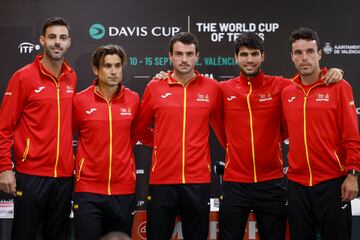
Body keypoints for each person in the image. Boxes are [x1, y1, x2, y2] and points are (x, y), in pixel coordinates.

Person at [217, 32, 344, 240]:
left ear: (263, 56)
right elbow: (195, 87)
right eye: (244, 54)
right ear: (235, 58)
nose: (249, 59)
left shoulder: (282, 86)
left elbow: (308, 82)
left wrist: (334, 72)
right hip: (235, 184)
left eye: (255, 54)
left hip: (272, 183)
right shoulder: (221, 89)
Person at [132, 32, 226, 240]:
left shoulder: (213, 88)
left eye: (189, 54)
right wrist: (163, 143)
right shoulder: (155, 87)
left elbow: (222, 131)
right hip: (161, 181)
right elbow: (139, 129)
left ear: (197, 56)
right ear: (170, 56)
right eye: (179, 54)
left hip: (198, 181)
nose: (184, 59)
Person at [0, 17, 76, 239]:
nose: (57, 43)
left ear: (69, 42)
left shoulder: (71, 76)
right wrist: (5, 167)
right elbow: (4, 127)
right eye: (52, 37)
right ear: (42, 40)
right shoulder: (23, 77)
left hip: (63, 177)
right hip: (31, 175)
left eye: (62, 38)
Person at [281, 27, 360, 240]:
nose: (304, 57)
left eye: (309, 51)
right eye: (298, 52)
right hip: (297, 185)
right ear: (292, 56)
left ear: (319, 54)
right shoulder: (287, 91)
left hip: (332, 182)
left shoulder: (339, 86)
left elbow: (352, 134)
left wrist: (353, 174)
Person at [72, 44, 152, 240]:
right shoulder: (79, 100)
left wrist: (169, 142)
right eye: (107, 66)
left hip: (123, 190)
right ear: (95, 70)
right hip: (88, 191)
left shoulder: (133, 99)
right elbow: (67, 136)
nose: (114, 71)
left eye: (118, 66)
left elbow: (139, 133)